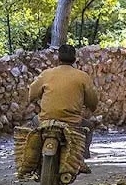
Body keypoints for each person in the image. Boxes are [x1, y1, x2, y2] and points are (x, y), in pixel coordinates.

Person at [28, 44, 98, 173]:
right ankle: (81, 159)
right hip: (72, 122)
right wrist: (91, 108)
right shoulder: (82, 76)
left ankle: (35, 159)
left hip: (45, 120)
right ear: (74, 59)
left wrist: (33, 99)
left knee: (34, 121)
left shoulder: (46, 74)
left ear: (58, 59)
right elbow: (92, 100)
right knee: (89, 127)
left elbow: (32, 93)